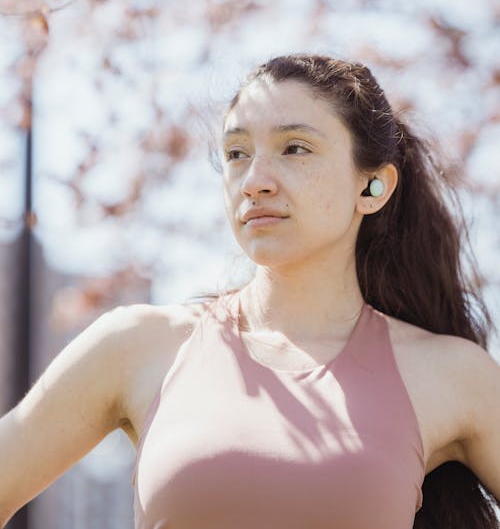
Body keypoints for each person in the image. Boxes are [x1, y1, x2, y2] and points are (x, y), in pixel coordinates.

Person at [1, 53, 499, 529]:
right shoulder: (137, 345)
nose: (253, 181)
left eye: (294, 148)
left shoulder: (450, 375)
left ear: (373, 187)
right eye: (237, 154)